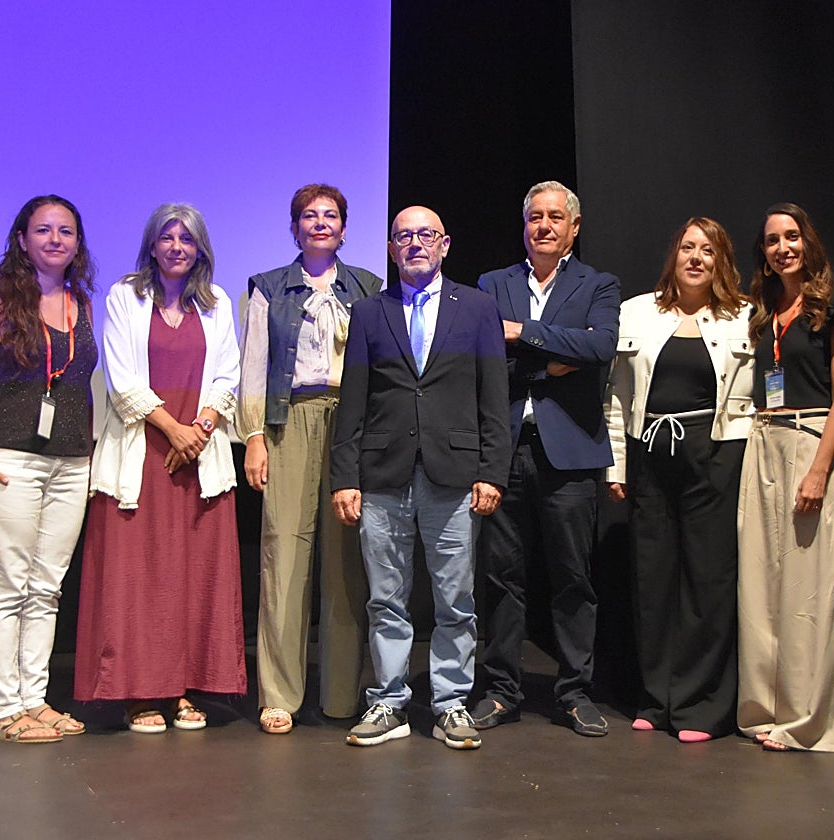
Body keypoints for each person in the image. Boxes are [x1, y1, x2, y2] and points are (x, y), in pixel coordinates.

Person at [330, 205, 509, 750]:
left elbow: (493, 399)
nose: (414, 243)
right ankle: (389, 702)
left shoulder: (478, 309)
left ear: (445, 244)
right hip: (382, 475)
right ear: (390, 248)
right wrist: (344, 476)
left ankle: (452, 703)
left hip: (454, 475)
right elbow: (353, 402)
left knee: (455, 599)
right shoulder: (368, 312)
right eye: (403, 236)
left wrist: (491, 471)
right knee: (386, 597)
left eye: (425, 235)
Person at [74, 202, 246, 733]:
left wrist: (200, 430)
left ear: (200, 249)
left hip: (199, 453)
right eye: (168, 237)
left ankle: (183, 689)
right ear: (152, 245)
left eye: (187, 239)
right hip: (142, 453)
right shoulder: (127, 295)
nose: (177, 247)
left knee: (191, 578)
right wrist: (174, 431)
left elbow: (228, 372)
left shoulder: (216, 301)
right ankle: (140, 693)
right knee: (138, 578)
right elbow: (122, 376)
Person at [474, 181, 620, 737]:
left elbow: (598, 348)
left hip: (572, 452)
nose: (543, 226)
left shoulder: (598, 284)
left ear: (574, 227)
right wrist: (556, 355)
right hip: (506, 449)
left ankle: (575, 692)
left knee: (572, 577)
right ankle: (503, 690)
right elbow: (487, 359)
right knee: (503, 576)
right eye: (534, 216)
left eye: (555, 217)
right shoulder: (493, 284)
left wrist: (525, 335)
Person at [236, 184, 382, 734]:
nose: (320, 223)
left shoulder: (368, 287)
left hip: (350, 423)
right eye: (309, 216)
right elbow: (254, 364)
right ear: (294, 227)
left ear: (344, 228)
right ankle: (279, 693)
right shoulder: (268, 288)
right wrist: (253, 435)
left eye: (330, 216)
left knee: (347, 561)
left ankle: (344, 694)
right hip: (288, 420)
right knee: (284, 556)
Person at [604, 218, 754, 742]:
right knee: (653, 579)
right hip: (651, 453)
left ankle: (700, 705)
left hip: (715, 453)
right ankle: (656, 698)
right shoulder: (638, 312)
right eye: (688, 247)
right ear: (674, 255)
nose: (696, 257)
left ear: (721, 260)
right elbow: (618, 398)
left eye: (707, 250)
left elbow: (756, 400)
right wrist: (617, 464)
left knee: (708, 581)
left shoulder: (744, 316)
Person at [737, 202, 834, 752]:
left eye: (792, 237)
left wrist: (819, 469)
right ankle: (764, 710)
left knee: (807, 589)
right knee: (761, 586)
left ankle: (807, 723)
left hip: (809, 444)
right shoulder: (762, 312)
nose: (782, 248)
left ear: (808, 242)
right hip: (762, 442)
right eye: (772, 240)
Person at [0, 195, 97, 743]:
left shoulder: (80, 302)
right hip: (7, 457)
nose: (55, 239)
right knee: (8, 583)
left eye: (66, 231)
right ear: (22, 239)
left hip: (69, 461)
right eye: (43, 230)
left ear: (77, 244)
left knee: (46, 588)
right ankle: (4, 709)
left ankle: (33, 700)